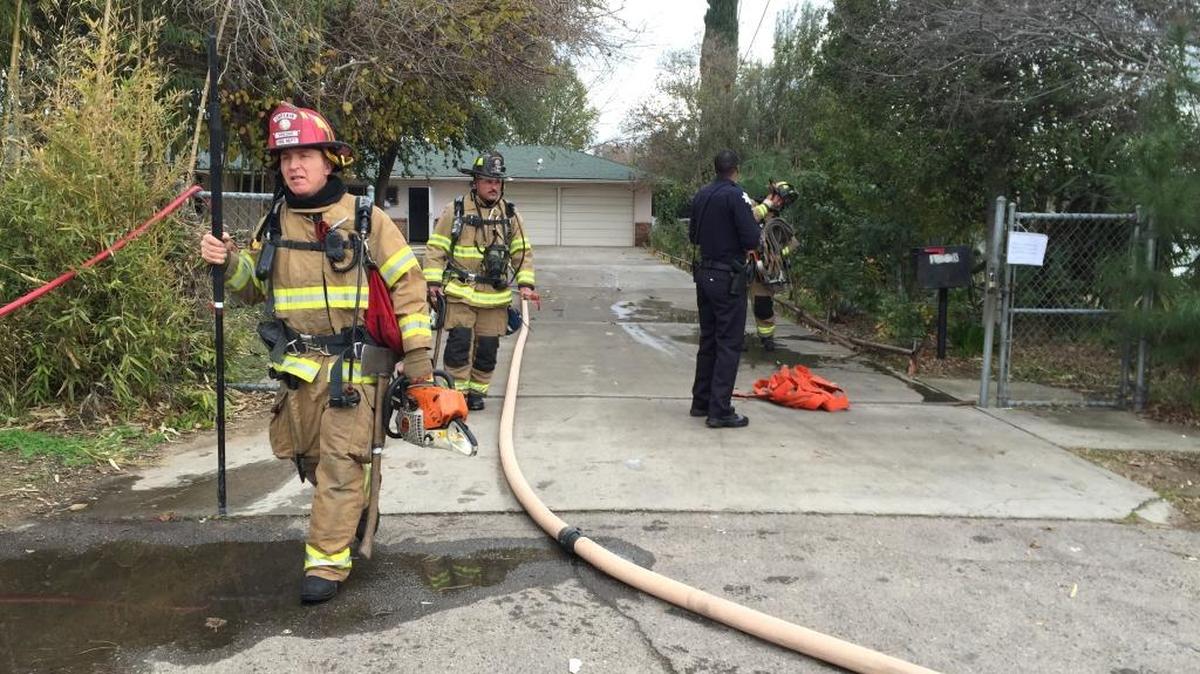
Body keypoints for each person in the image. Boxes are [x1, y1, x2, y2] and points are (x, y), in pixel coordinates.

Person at [199, 103, 433, 604]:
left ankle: (326, 561)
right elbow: (250, 288)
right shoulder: (275, 220)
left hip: (355, 371)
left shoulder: (366, 220)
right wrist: (229, 262)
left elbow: (409, 290)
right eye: (284, 157)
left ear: (330, 161)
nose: (293, 166)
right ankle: (355, 511)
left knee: (339, 464)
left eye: (303, 154)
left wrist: (419, 367)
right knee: (308, 460)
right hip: (299, 370)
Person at [422, 152, 536, 411]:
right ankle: (455, 394)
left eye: (497, 181)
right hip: (461, 292)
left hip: (494, 298)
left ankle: (476, 393)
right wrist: (433, 283)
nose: (494, 186)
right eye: (488, 180)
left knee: (487, 350)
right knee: (459, 345)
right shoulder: (456, 210)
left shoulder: (510, 215)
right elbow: (436, 249)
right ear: (475, 182)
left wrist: (526, 284)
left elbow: (522, 252)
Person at [688, 149, 760, 429]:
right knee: (728, 344)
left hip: (704, 274)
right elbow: (752, 238)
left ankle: (701, 402)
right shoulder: (736, 195)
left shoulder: (702, 195)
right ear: (735, 170)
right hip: (727, 277)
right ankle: (720, 410)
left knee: (708, 340)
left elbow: (693, 235)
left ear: (715, 169)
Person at [746, 180, 799, 351]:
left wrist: (776, 255)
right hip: (741, 263)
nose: (780, 203)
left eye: (784, 202)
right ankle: (734, 339)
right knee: (734, 305)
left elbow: (793, 243)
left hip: (762, 270)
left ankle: (767, 338)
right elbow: (746, 221)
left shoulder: (778, 221)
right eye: (779, 199)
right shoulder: (753, 206)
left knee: (763, 305)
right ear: (773, 194)